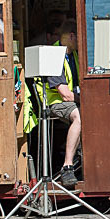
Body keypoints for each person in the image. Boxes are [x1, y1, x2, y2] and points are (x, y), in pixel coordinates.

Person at [38, 23, 81, 188]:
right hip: (56, 102)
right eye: (79, 37)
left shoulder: (74, 54)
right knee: (78, 116)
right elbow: (65, 95)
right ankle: (67, 166)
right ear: (71, 36)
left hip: (72, 99)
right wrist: (86, 100)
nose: (81, 42)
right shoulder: (53, 55)